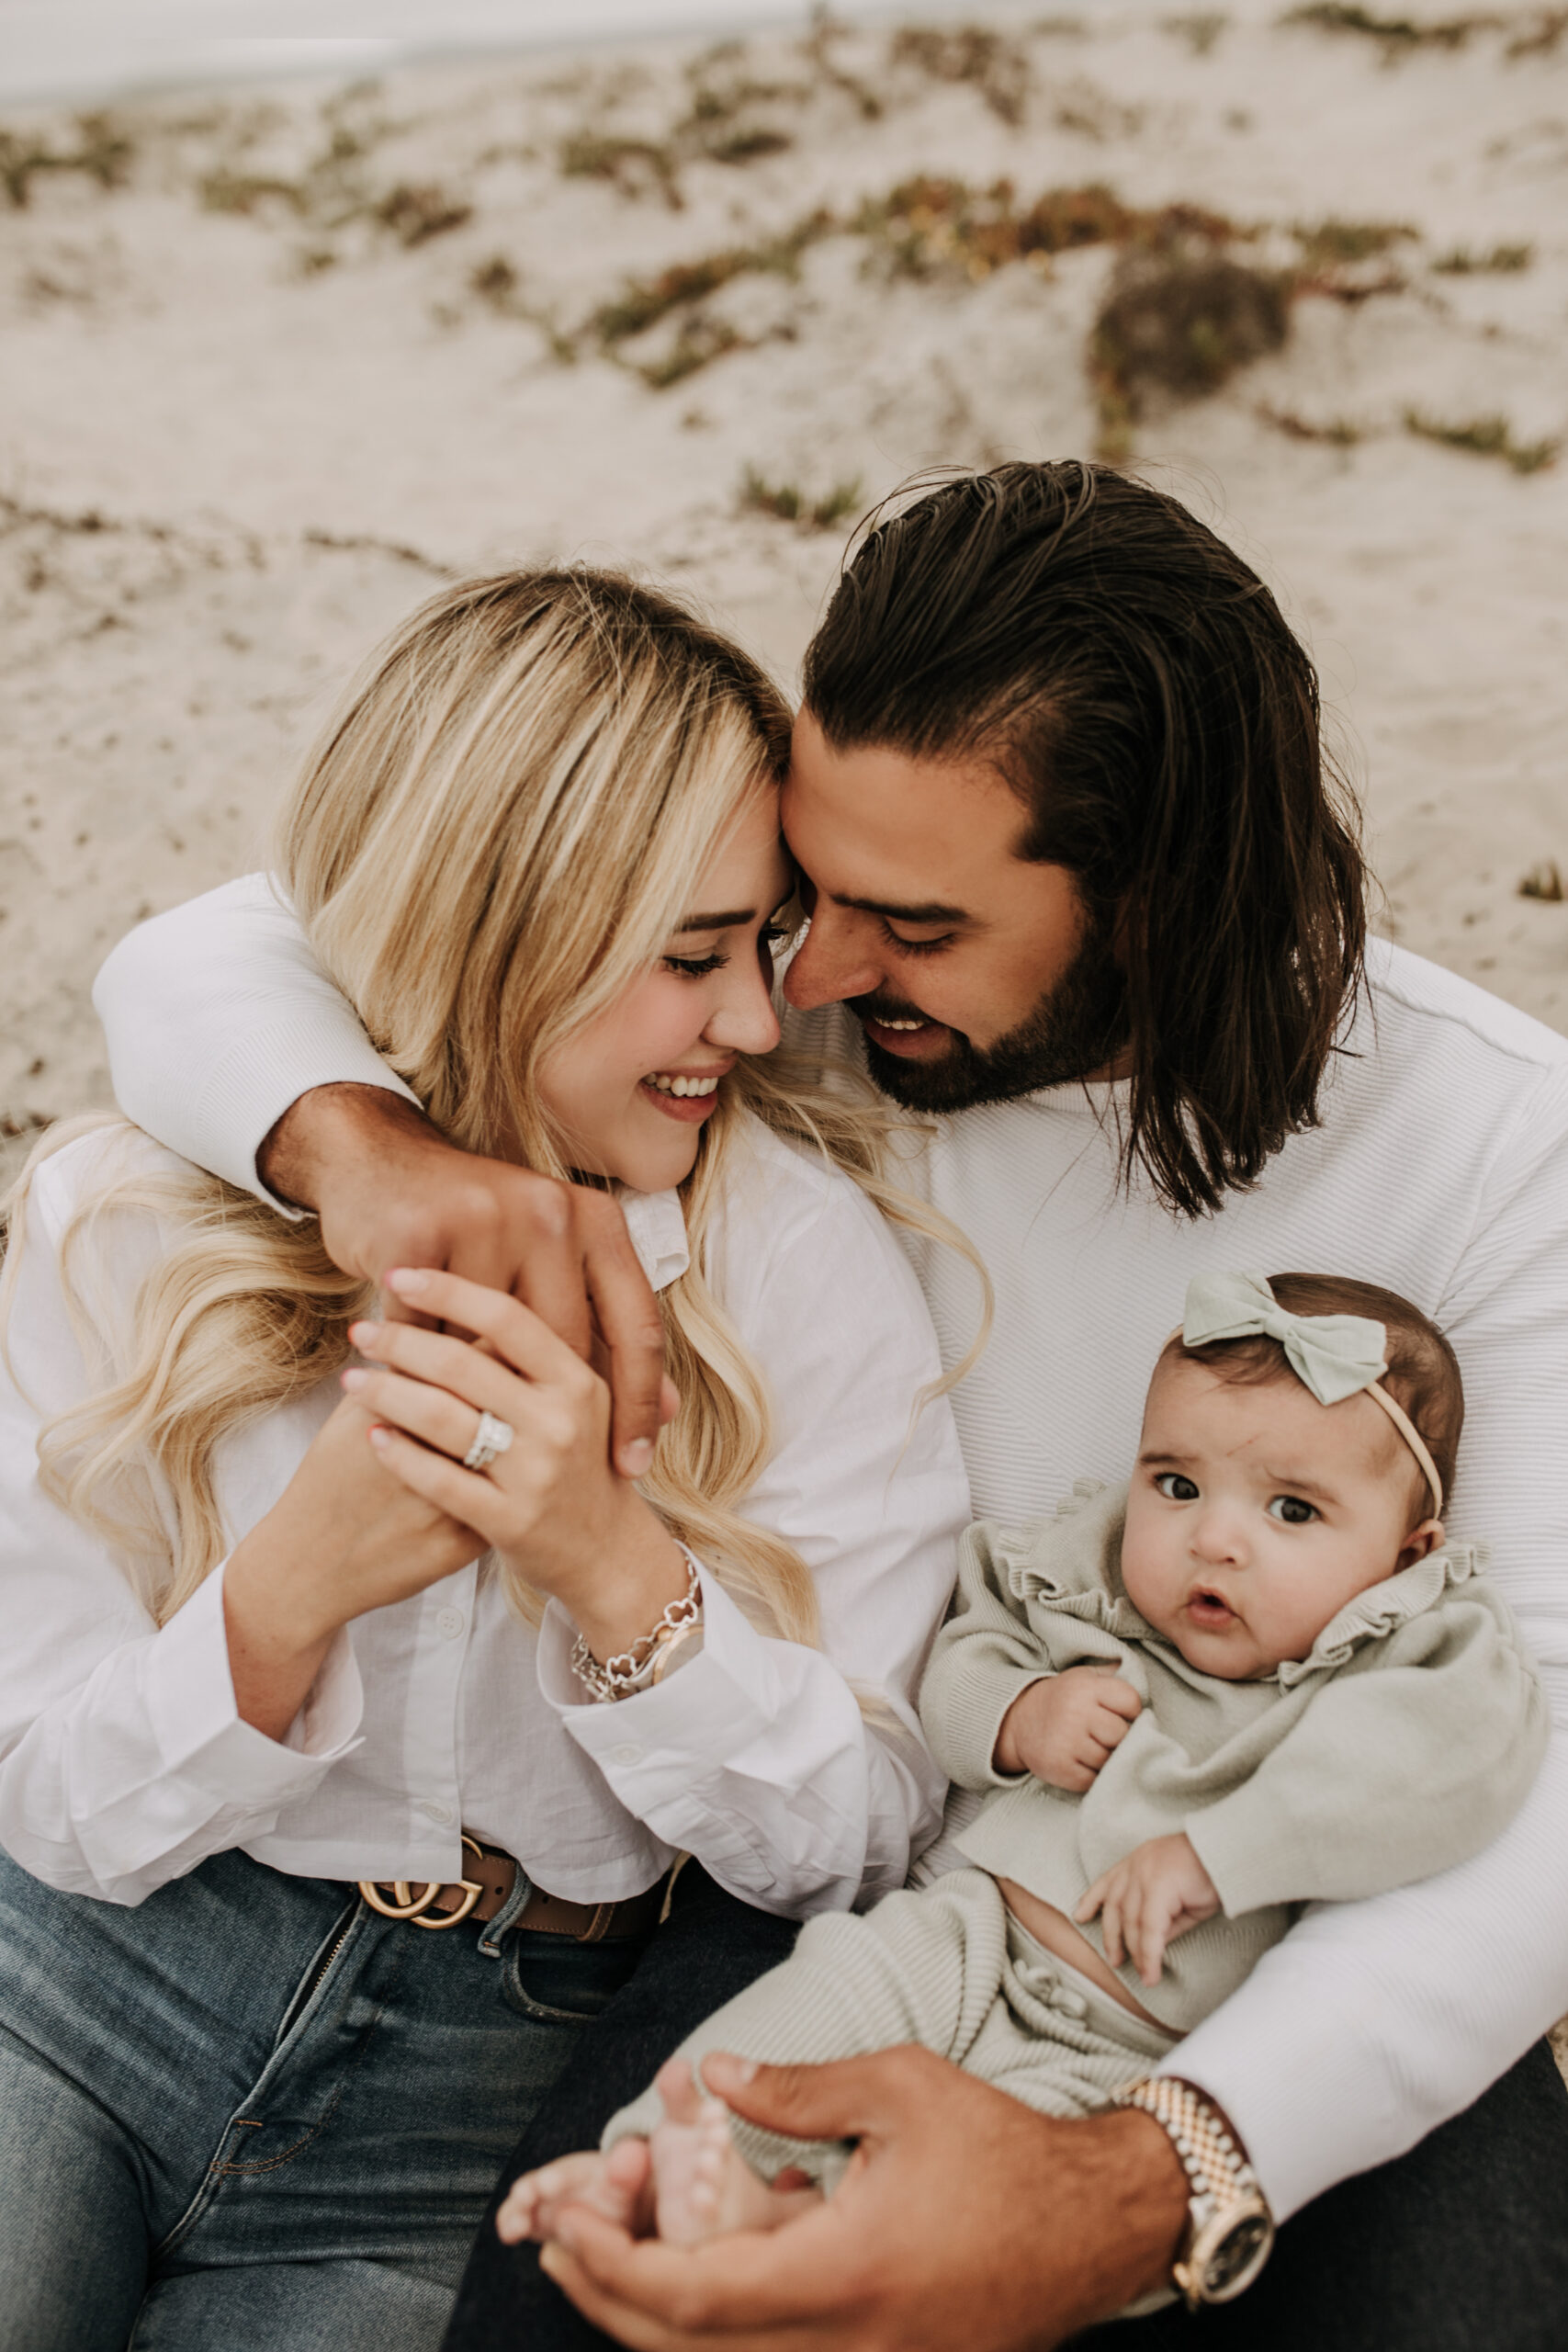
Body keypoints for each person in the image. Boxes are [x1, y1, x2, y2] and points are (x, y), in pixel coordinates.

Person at [90, 462, 1568, 2349]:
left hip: (1278, 1921)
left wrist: (1139, 2172)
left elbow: (1522, 1799)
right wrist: (354, 1143)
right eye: (808, 895)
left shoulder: (1496, 1146)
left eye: (914, 926)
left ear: (1150, 902)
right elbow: (215, 947)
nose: (813, 970)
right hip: (844, 1891)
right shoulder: (776, 1002)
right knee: (578, 2307)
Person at [0, 570, 975, 2351]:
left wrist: (619, 1572)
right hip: (69, 1985)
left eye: (757, 944)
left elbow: (862, 1838)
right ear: (496, 926)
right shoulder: (130, 1214)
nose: (755, 1024)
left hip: (468, 2098)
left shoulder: (797, 1261)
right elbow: (41, 1792)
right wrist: (291, 1588)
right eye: (689, 958)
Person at [496, 1270, 1544, 2301]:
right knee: (816, 2005)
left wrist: (1222, 1856)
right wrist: (1018, 1713)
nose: (1213, 1538)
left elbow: (1436, 1776)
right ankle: (642, 2157)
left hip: (1138, 2037)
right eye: (1176, 1485)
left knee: (989, 2199)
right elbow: (962, 1656)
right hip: (966, 1931)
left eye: (1292, 1510)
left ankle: (778, 2223)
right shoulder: (1086, 1572)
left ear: (1409, 1551)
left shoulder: (1409, 1653)